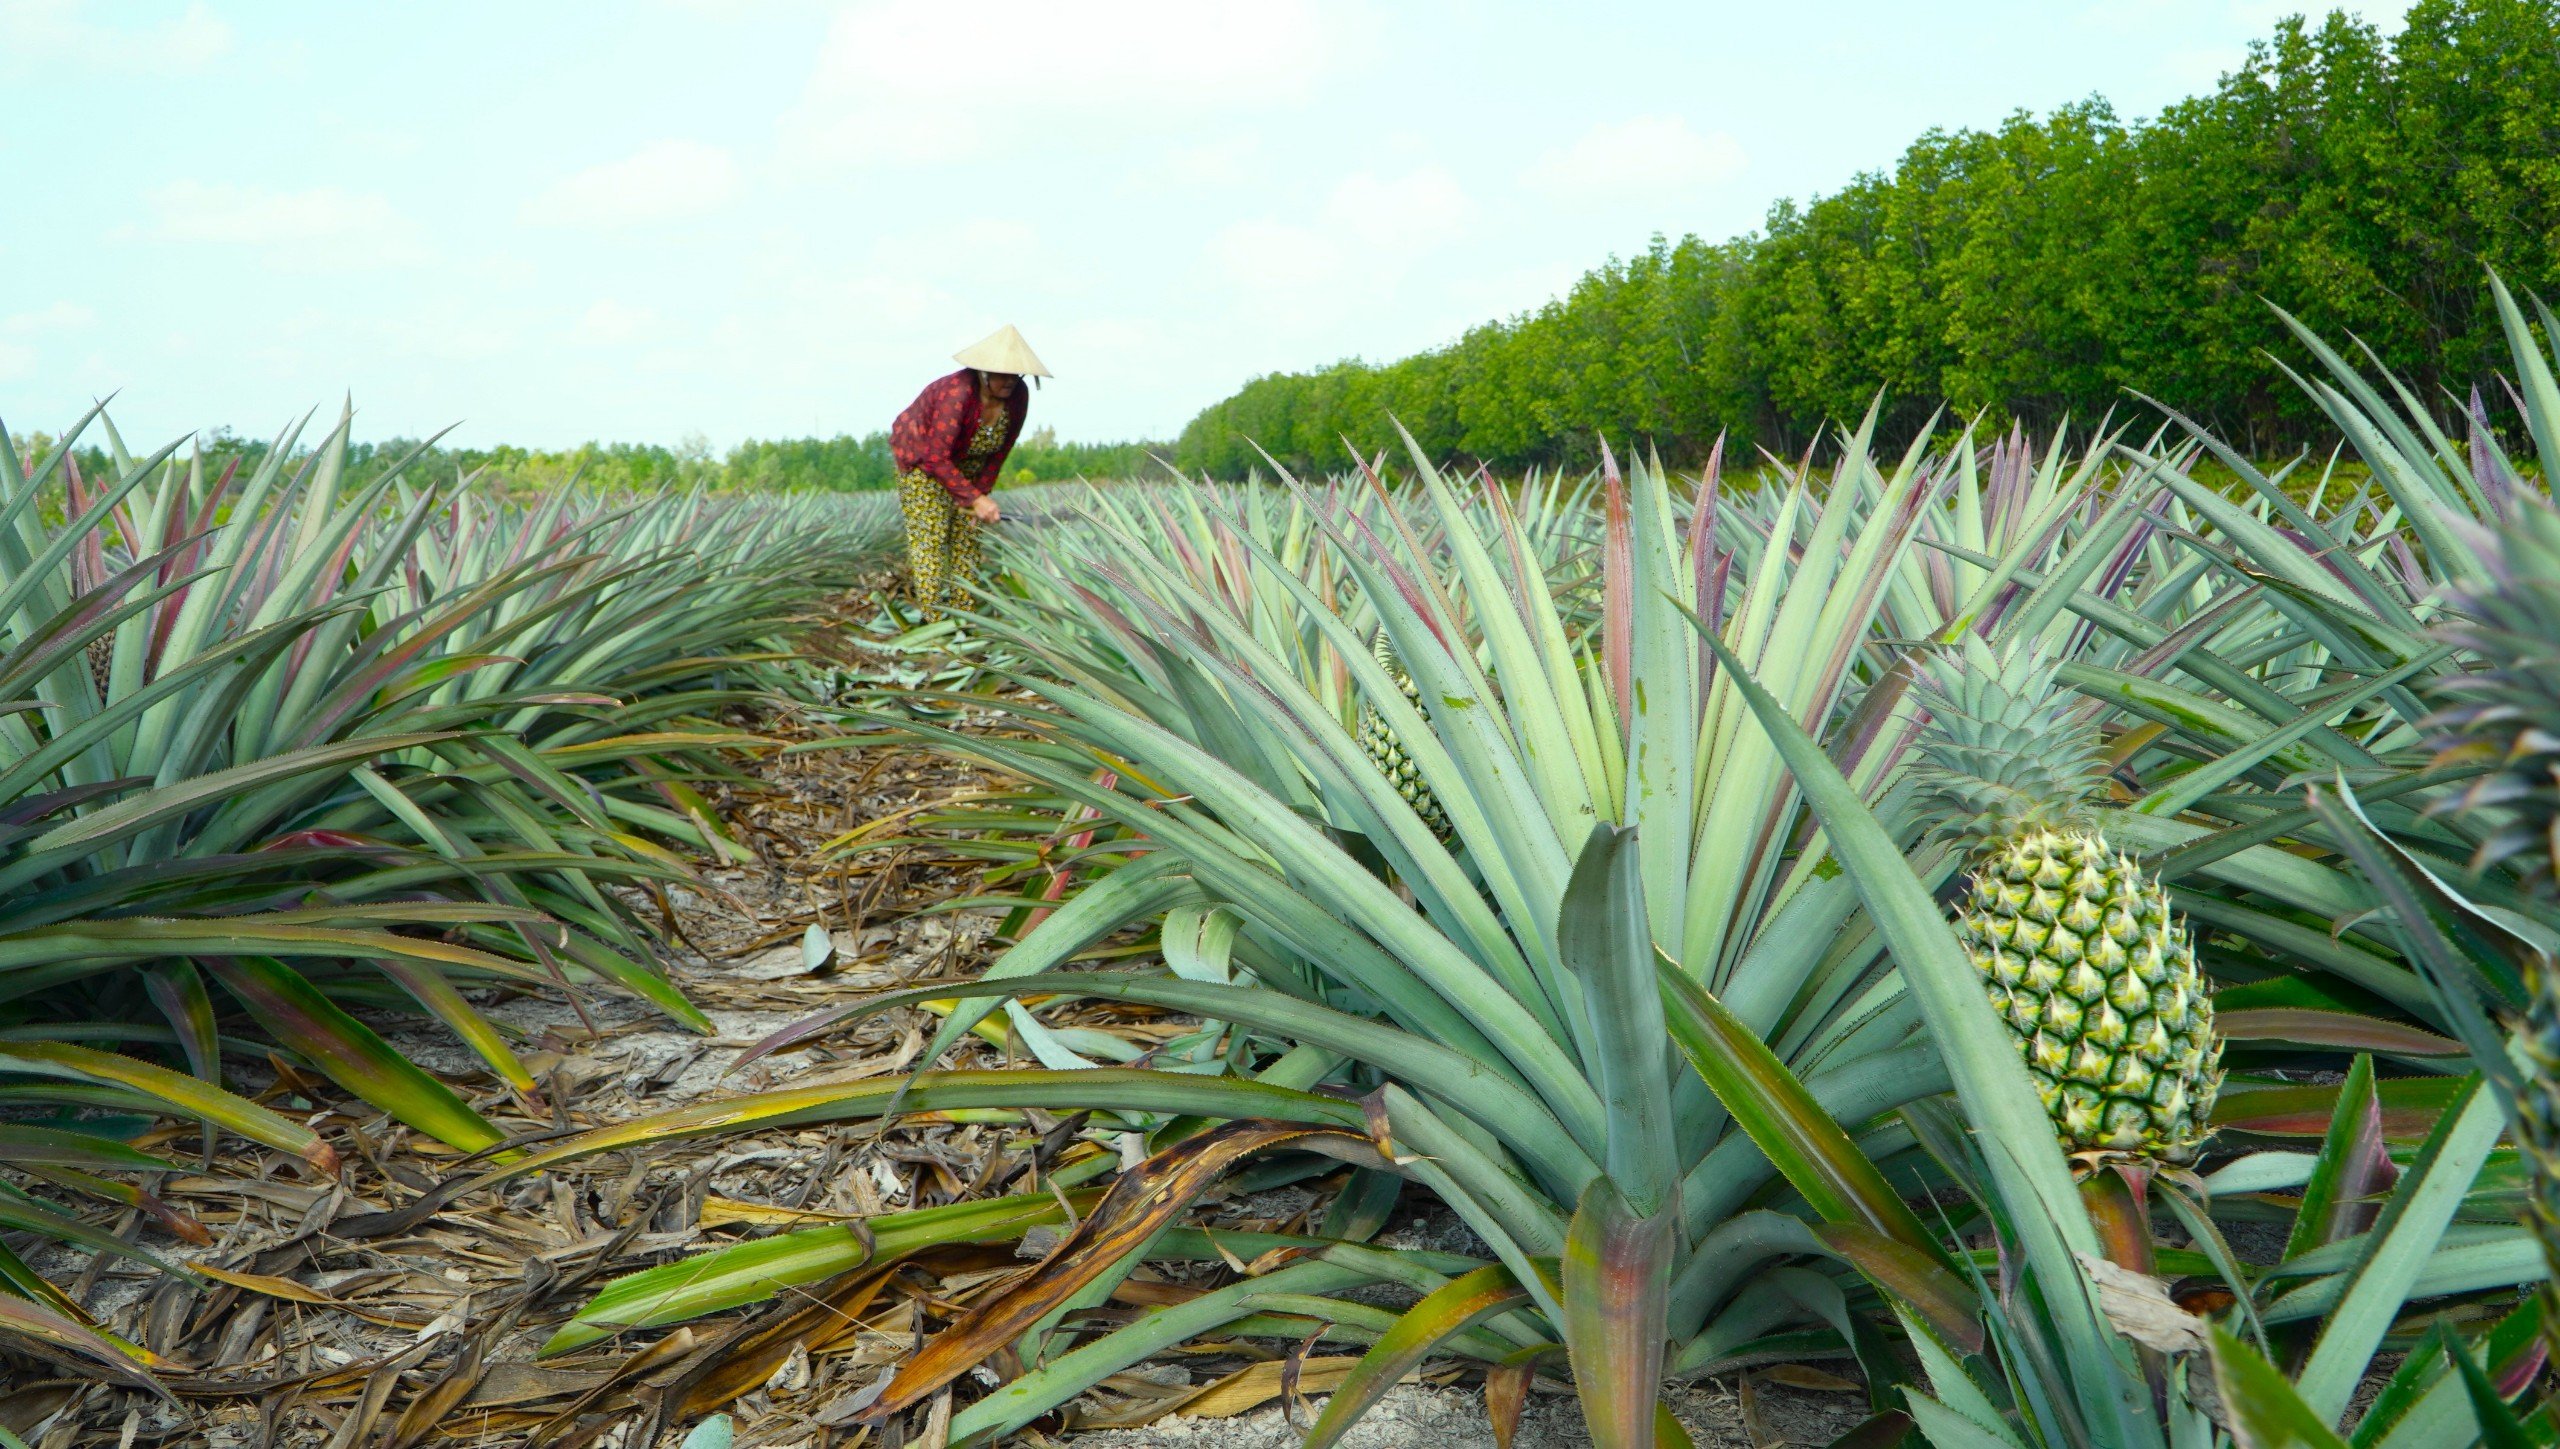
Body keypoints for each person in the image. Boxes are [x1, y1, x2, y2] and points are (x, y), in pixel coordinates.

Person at [891, 324, 1052, 619]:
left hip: (970, 462)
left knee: (968, 536)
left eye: (1016, 375)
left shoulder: (1017, 397)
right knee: (932, 537)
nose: (1011, 382)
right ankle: (933, 620)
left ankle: (965, 616)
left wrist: (982, 496)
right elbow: (936, 457)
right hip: (923, 463)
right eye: (1003, 374)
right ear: (984, 372)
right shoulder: (957, 392)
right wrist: (974, 499)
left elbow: (1000, 451)